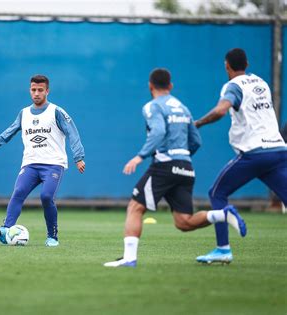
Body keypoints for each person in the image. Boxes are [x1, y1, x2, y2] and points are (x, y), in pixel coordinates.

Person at [104, 68, 246, 268]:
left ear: (150, 86)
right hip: (185, 167)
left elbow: (159, 131)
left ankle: (129, 259)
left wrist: (140, 156)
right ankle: (223, 214)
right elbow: (196, 140)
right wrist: (182, 158)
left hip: (164, 166)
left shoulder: (152, 106)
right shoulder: (183, 107)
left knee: (135, 207)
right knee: (184, 222)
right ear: (170, 86)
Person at [194, 48, 287, 263]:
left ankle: (223, 250)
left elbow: (220, 110)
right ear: (247, 63)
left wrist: (197, 123)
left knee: (217, 193)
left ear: (227, 65)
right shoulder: (260, 82)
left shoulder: (233, 86)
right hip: (279, 151)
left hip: (255, 153)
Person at [0, 75, 85, 246]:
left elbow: (73, 133)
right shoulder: (24, 113)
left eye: (40, 90)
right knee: (18, 192)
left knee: (46, 196)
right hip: (30, 164)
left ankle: (52, 236)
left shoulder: (56, 111)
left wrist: (78, 157)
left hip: (53, 164)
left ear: (47, 91)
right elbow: (9, 132)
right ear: (30, 90)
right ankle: (6, 229)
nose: (36, 93)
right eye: (33, 90)